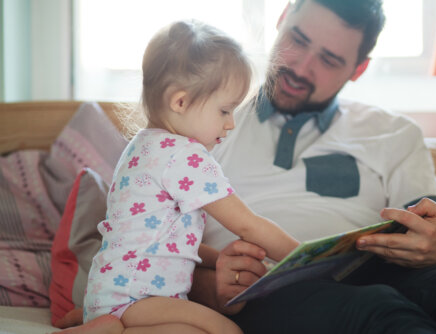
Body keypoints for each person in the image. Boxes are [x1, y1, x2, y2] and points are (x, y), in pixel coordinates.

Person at [185, 0, 436, 333]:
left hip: (389, 275)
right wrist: (212, 289)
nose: (302, 68)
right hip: (267, 291)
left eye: (329, 60)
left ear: (358, 69)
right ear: (281, 19)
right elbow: (149, 249)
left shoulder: (394, 132)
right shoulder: (199, 125)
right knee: (379, 311)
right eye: (299, 40)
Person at [57, 20, 299, 334]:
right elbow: (247, 224)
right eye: (225, 111)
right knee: (228, 331)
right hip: (136, 296)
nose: (230, 125)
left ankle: (98, 324)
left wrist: (216, 259)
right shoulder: (186, 156)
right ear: (181, 101)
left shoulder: (143, 146)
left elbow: (164, 240)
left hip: (115, 293)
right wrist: (307, 259)